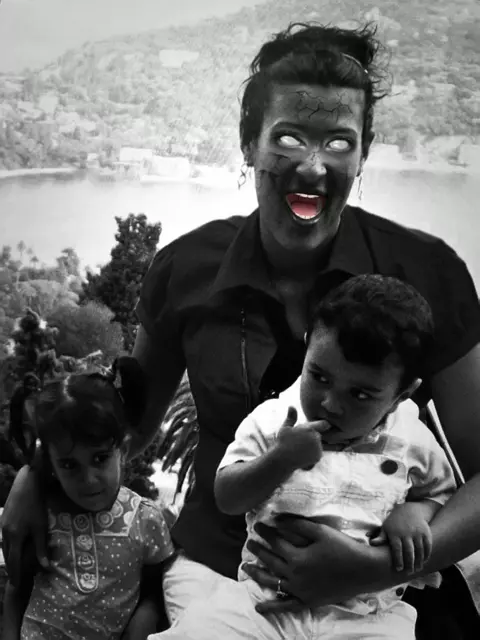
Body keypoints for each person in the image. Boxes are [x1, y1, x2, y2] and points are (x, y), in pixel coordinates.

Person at [3, 21, 480, 634]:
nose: (313, 167)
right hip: (220, 572)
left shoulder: (426, 271)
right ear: (249, 142)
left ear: (363, 152)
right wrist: (33, 475)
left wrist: (371, 568)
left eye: (339, 142)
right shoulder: (186, 268)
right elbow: (127, 428)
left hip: (384, 585)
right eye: (288, 137)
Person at [154, 275, 457, 639]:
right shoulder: (274, 420)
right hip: (263, 603)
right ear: (307, 344)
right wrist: (279, 460)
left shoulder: (413, 439)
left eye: (360, 395)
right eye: (320, 376)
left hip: (369, 616)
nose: (330, 404)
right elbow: (228, 497)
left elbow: (442, 493)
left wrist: (416, 512)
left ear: (401, 394)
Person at [1, 358, 175, 640]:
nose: (89, 479)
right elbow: (16, 589)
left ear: (123, 450)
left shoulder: (146, 520)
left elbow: (156, 590)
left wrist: (146, 618)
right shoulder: (39, 513)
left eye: (100, 458)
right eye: (70, 465)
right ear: (52, 464)